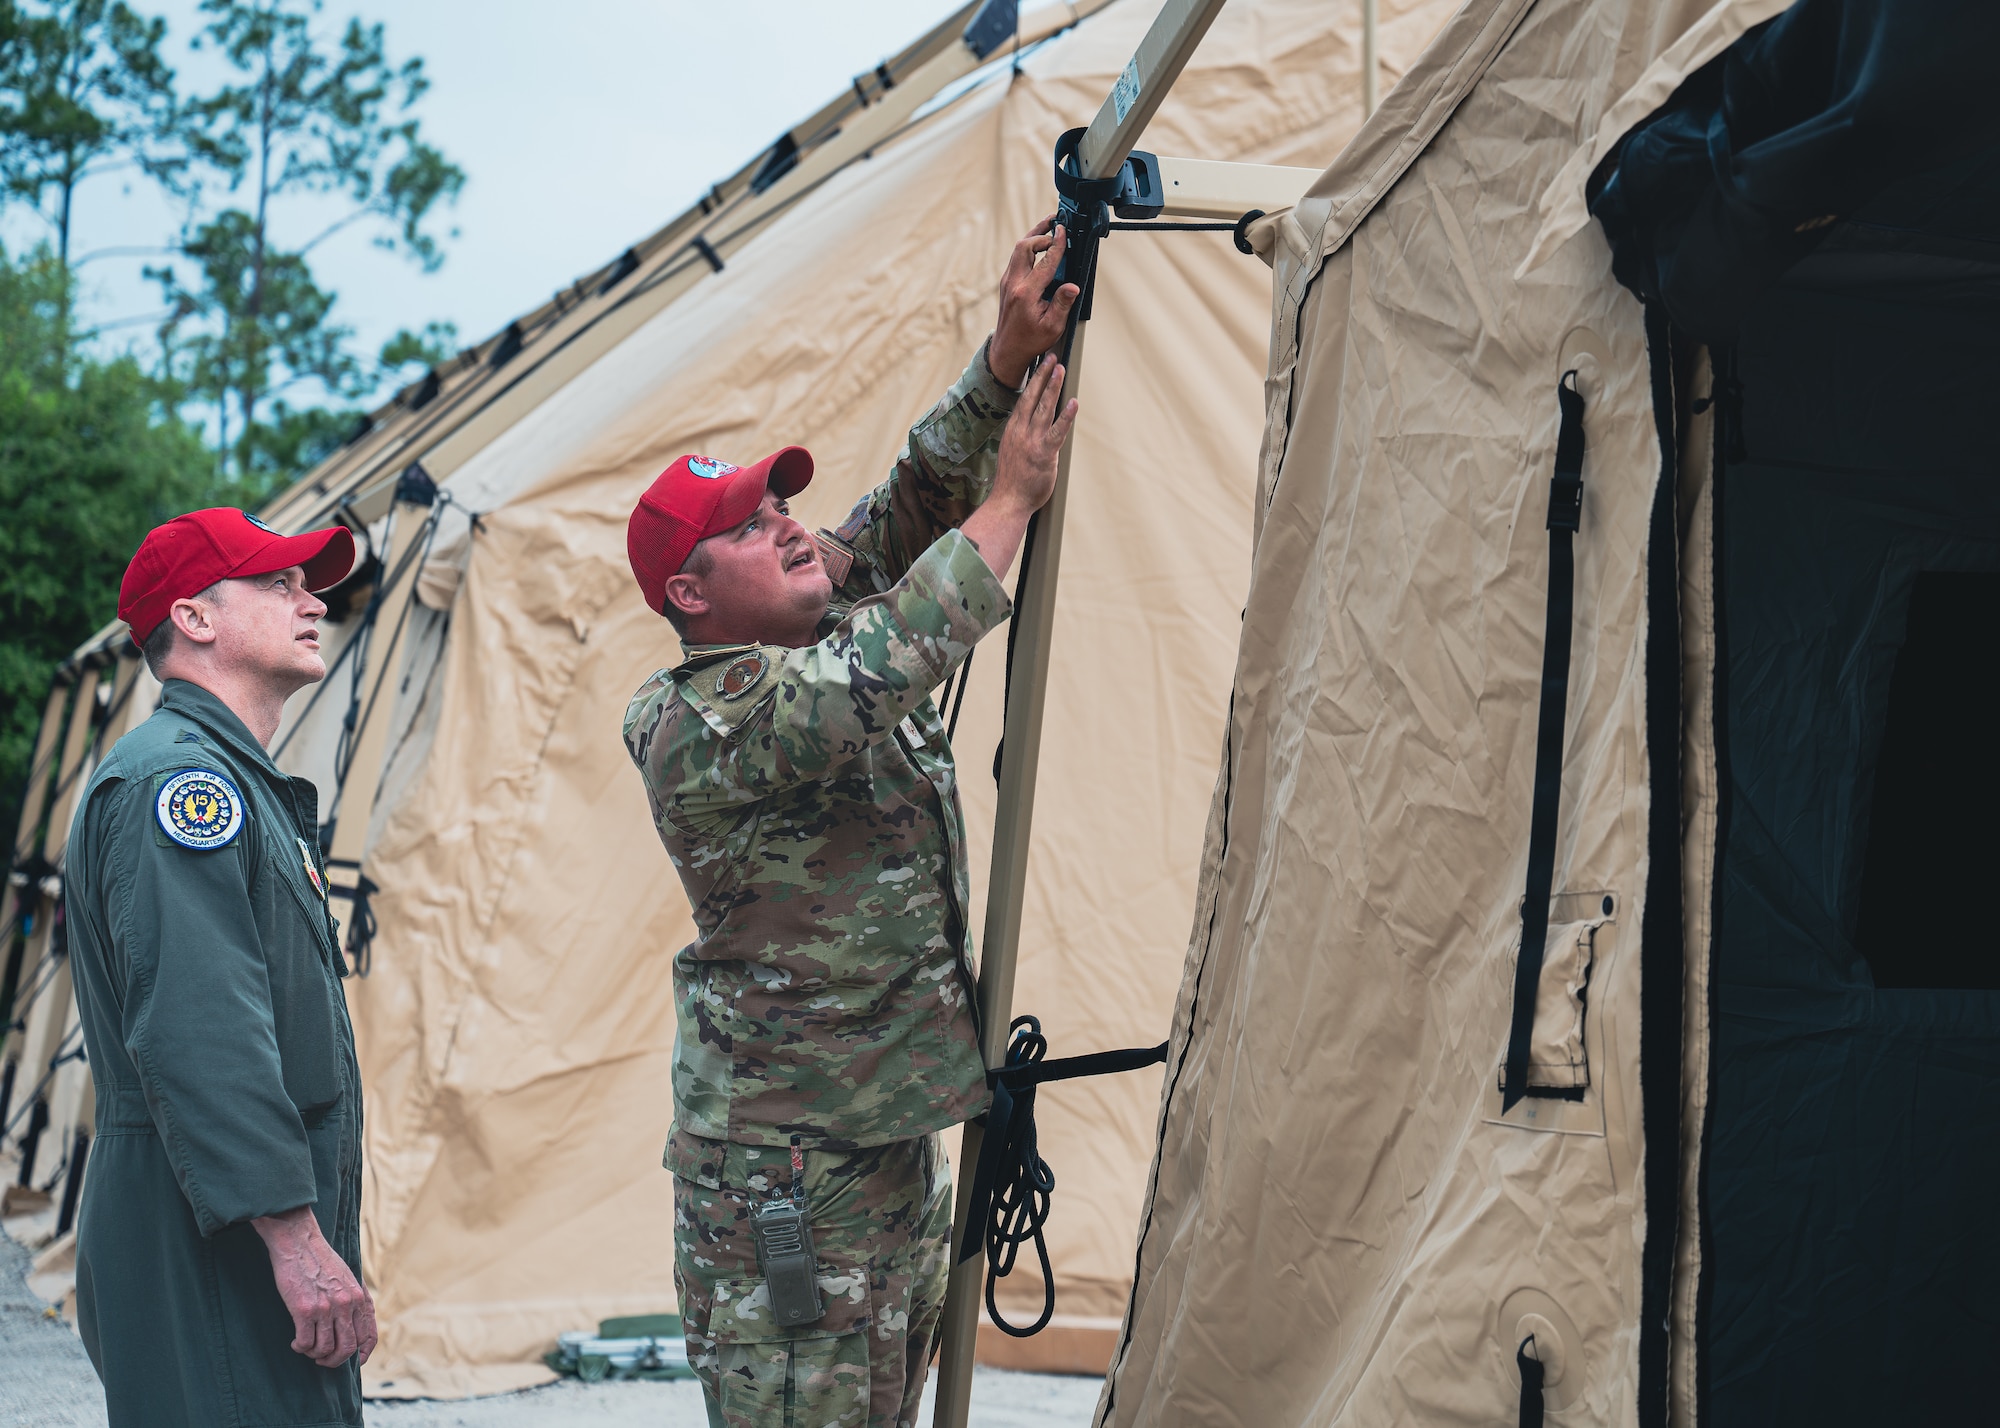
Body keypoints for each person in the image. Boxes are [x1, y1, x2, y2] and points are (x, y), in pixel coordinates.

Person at [621, 215, 1081, 1428]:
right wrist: (1016, 502)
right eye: (747, 527)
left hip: (876, 1136)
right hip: (787, 1172)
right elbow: (879, 663)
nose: (786, 526)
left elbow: (903, 511)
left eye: (782, 506)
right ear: (689, 594)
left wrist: (999, 368)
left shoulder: (811, 615)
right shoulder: (697, 719)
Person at [63, 509, 374, 1427]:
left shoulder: (232, 780)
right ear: (194, 618)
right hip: (209, 1223)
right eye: (278, 582)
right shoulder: (179, 787)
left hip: (227, 1212)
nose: (312, 599)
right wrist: (294, 1236)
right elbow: (204, 1033)